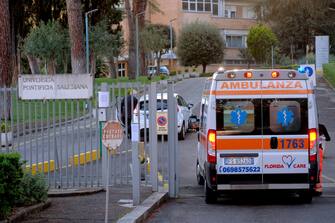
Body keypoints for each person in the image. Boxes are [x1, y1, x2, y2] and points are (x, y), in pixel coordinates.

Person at [315, 124, 331, 196]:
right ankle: (318, 187)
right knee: (319, 169)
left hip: (308, 150)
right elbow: (328, 138)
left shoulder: (306, 125)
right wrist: (322, 138)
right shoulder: (321, 126)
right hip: (319, 150)